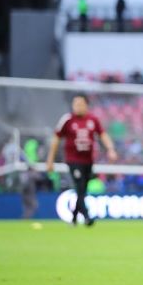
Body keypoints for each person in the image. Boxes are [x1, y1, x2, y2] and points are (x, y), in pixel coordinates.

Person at [45, 94, 117, 226]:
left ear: (86, 105)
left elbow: (103, 135)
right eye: (75, 104)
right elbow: (56, 139)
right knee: (79, 185)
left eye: (80, 104)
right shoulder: (67, 120)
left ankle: (73, 217)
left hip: (88, 161)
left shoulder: (93, 120)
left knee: (82, 189)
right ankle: (87, 216)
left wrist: (110, 149)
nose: (77, 107)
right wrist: (50, 160)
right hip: (73, 160)